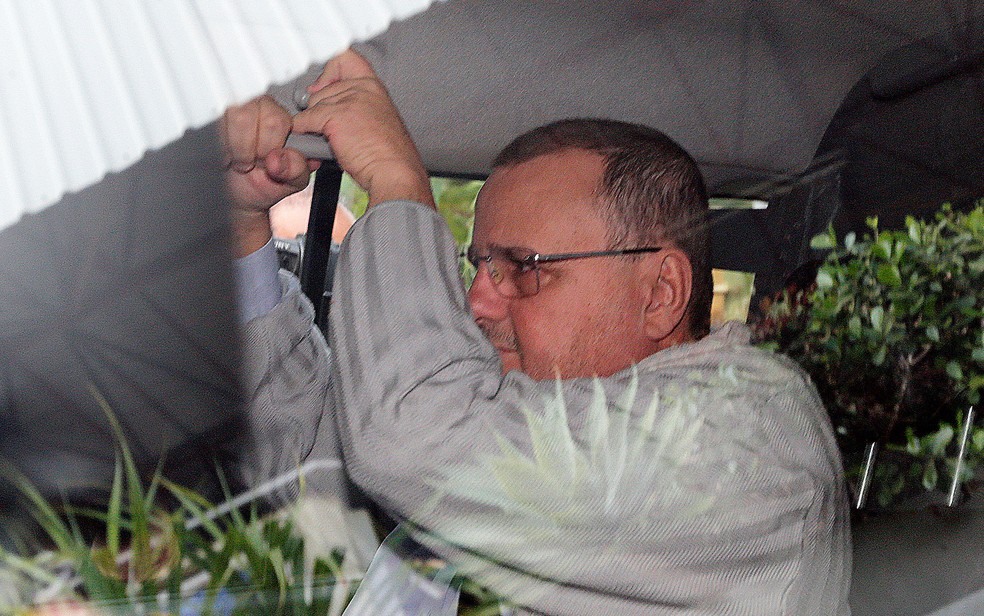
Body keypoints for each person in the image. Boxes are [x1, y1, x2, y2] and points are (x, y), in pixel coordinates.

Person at [224, 49, 851, 615]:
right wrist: (247, 231)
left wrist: (396, 181)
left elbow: (408, 437)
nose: (478, 300)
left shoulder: (747, 437)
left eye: (523, 268)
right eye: (480, 267)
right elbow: (308, 472)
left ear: (661, 294)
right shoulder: (513, 438)